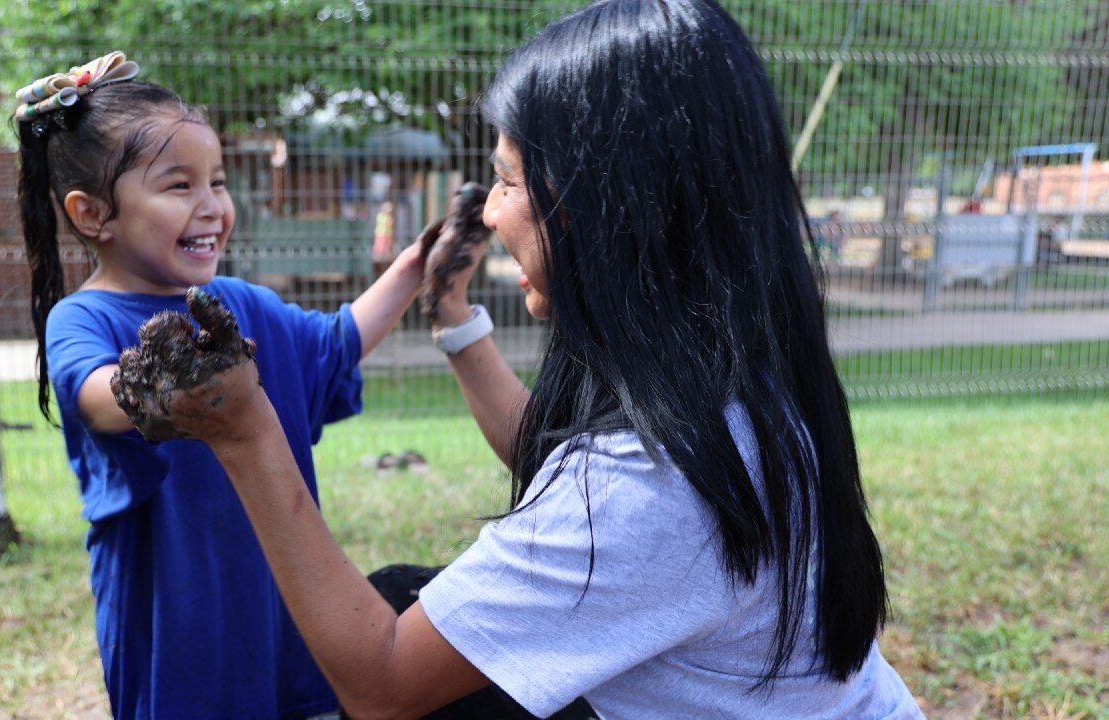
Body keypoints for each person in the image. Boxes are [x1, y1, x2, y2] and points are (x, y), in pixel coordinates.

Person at [111, 1, 926, 717]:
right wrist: (457, 317)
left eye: (505, 179)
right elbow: (557, 457)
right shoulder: (737, 379)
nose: (492, 210)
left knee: (392, 636)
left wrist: (248, 436)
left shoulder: (646, 485)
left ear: (605, 207)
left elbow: (383, 686)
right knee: (401, 592)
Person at [15, 52, 435, 719]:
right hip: (174, 616)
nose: (212, 205)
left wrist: (416, 266)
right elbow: (92, 397)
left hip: (279, 597)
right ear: (93, 213)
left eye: (218, 181)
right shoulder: (82, 318)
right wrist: (156, 385)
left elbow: (335, 342)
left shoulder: (241, 302)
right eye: (179, 186)